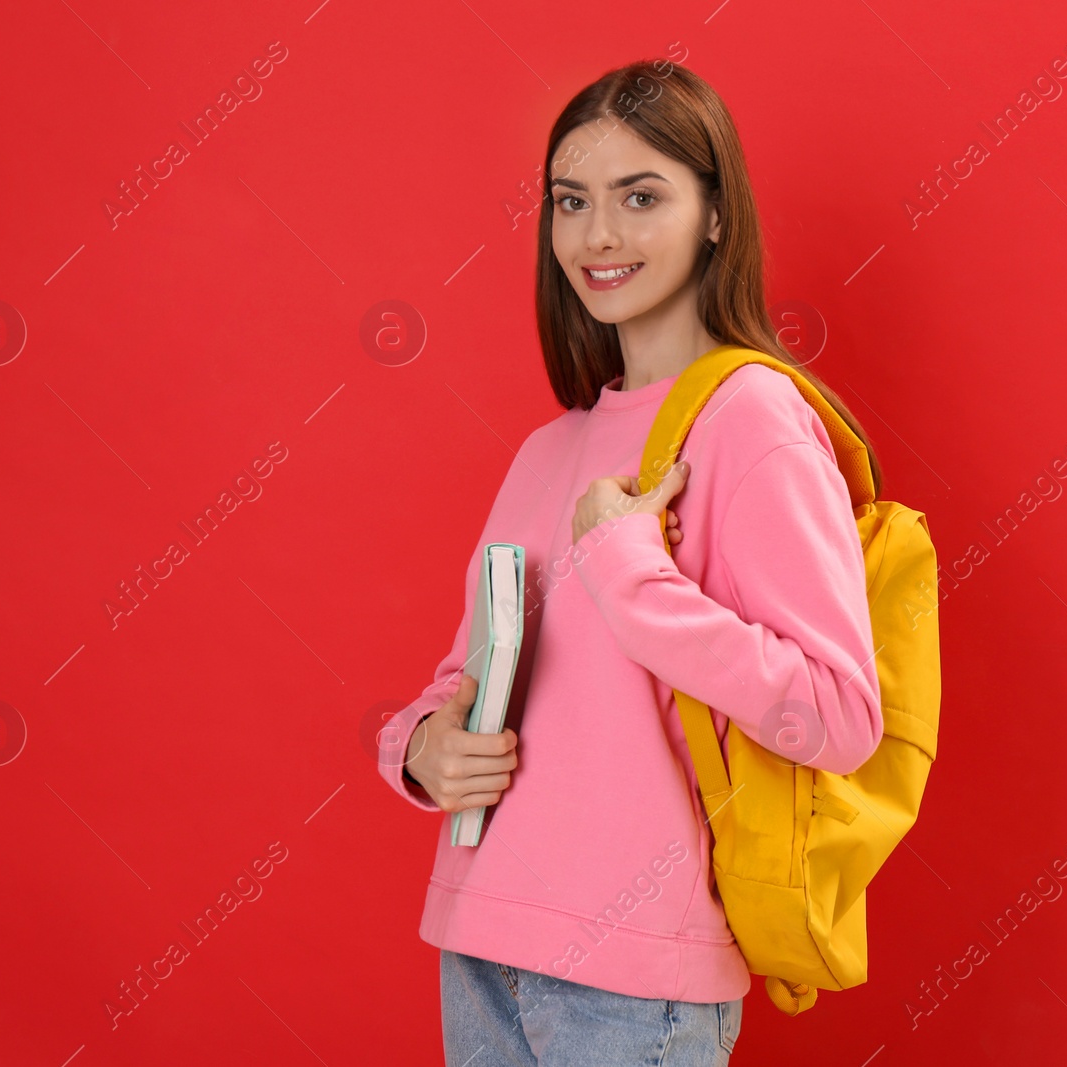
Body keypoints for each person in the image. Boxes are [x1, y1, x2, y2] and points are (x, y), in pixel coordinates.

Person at [377, 59, 888, 1067]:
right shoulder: (547, 448)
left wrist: (626, 568)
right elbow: (469, 679)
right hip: (481, 941)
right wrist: (420, 751)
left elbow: (839, 713)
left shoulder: (754, 419)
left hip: (630, 980)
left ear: (713, 215)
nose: (597, 237)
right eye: (572, 203)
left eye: (639, 197)